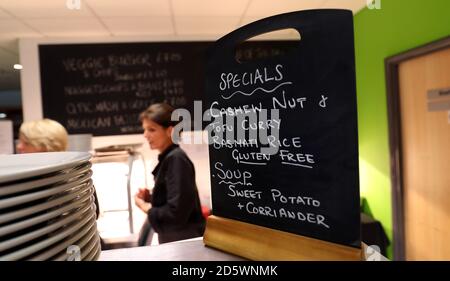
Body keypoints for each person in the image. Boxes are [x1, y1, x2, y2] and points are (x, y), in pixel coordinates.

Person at [135, 103, 205, 245]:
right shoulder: (170, 158)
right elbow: (175, 198)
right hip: (178, 242)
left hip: (185, 243)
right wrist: (151, 198)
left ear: (170, 131)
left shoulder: (176, 159)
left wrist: (145, 206)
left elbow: (176, 213)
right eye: (145, 130)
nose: (145, 135)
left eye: (151, 130)